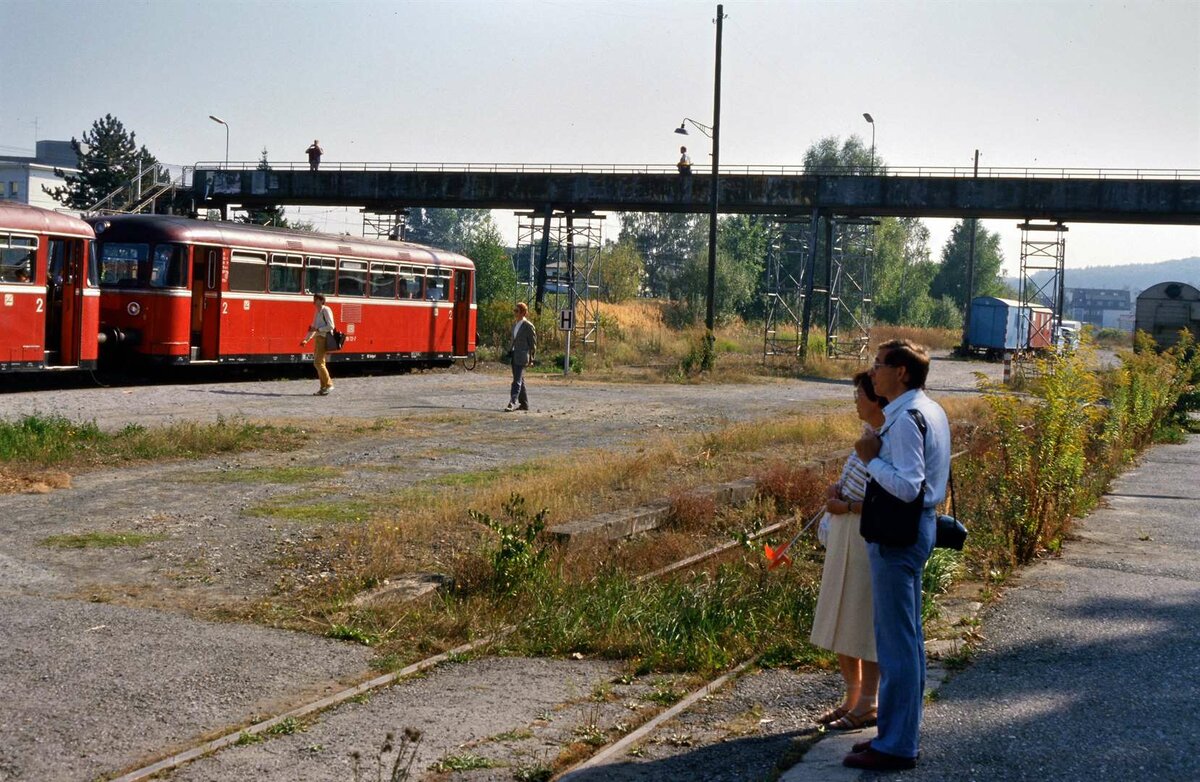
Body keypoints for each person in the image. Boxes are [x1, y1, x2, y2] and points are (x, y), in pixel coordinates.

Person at [844, 339, 950, 772]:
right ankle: (897, 733)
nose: (872, 372)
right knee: (908, 639)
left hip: (898, 534)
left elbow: (908, 486)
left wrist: (870, 460)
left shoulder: (906, 418)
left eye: (879, 364)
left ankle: (896, 745)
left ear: (902, 372)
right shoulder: (929, 409)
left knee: (896, 645)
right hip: (917, 529)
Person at [810, 372, 887, 731]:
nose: (855, 400)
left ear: (875, 398)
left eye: (859, 394)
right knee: (842, 618)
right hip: (844, 536)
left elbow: (889, 498)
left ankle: (868, 703)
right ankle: (851, 699)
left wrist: (848, 506)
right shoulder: (868, 437)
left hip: (865, 537)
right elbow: (857, 480)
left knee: (863, 619)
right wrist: (837, 490)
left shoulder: (888, 439)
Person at [300, 293, 336, 395]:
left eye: (315, 299)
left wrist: (318, 329)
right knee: (320, 363)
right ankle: (323, 387)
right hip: (318, 338)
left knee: (318, 363)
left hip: (324, 338)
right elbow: (313, 327)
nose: (314, 301)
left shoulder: (326, 310)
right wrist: (306, 339)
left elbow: (331, 326)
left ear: (321, 300)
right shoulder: (317, 311)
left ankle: (329, 385)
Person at [505, 302, 536, 412]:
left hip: (522, 356)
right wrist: (509, 351)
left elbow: (533, 344)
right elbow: (513, 340)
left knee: (516, 381)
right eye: (514, 310)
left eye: (517, 311)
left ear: (523, 312)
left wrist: (532, 359)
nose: (515, 313)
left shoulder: (528, 326)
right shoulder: (515, 325)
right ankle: (524, 404)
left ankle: (512, 402)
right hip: (514, 355)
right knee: (520, 380)